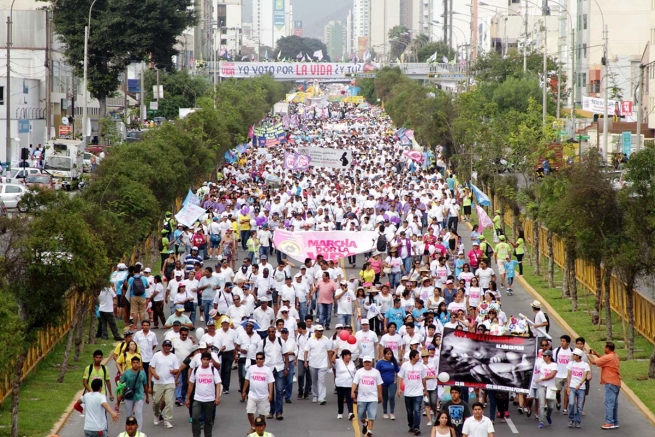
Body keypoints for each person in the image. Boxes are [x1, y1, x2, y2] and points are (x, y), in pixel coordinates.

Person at [186, 352, 222, 437]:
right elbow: (191, 384)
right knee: (195, 418)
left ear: (210, 361)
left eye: (207, 360)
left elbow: (218, 384)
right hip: (197, 399)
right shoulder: (196, 370)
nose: (205, 361)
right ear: (201, 360)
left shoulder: (213, 370)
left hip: (209, 400)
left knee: (208, 421)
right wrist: (187, 398)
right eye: (204, 359)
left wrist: (218, 397)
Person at [588, 341, 621, 430]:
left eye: (604, 347)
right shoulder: (615, 355)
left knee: (609, 403)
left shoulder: (608, 357)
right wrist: (596, 354)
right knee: (614, 403)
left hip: (610, 383)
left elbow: (594, 362)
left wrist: (588, 355)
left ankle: (609, 422)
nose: (603, 348)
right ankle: (614, 422)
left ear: (607, 348)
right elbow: (603, 359)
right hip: (616, 382)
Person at [149, 339, 180, 429]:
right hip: (158, 383)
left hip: (169, 382)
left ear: (170, 347)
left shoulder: (173, 357)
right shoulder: (157, 355)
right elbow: (151, 367)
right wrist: (154, 374)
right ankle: (157, 415)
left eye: (169, 346)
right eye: (165, 346)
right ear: (163, 346)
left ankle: (167, 420)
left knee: (169, 402)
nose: (167, 347)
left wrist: (175, 371)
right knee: (156, 402)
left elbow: (177, 369)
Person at [242, 352, 275, 435]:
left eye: (260, 359)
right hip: (252, 395)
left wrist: (270, 394)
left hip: (263, 396)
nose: (258, 360)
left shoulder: (267, 370)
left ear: (263, 360)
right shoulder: (251, 368)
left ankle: (260, 428)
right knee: (249, 411)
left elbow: (270, 383)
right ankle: (253, 427)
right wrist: (243, 391)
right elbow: (246, 380)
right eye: (257, 358)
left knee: (262, 414)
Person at [397, 349, 427, 435]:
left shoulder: (421, 366)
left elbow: (423, 379)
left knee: (417, 410)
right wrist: (399, 389)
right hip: (408, 393)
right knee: (409, 411)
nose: (419, 357)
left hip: (418, 392)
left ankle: (417, 427)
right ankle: (411, 425)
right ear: (412, 357)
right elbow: (400, 377)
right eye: (417, 356)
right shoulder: (405, 365)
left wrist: (425, 390)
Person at [353, 356, 383, 437]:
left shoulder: (376, 372)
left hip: (373, 397)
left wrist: (380, 395)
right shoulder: (359, 372)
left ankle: (369, 430)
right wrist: (352, 392)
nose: (367, 364)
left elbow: (379, 384)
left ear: (372, 363)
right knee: (361, 414)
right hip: (362, 397)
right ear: (363, 363)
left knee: (372, 415)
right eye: (365, 362)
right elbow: (355, 383)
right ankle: (364, 423)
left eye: (368, 362)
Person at [304, 324, 333, 405]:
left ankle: (321, 398)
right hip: (312, 364)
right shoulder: (310, 340)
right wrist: (305, 361)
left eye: (322, 331)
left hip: (323, 364)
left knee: (322, 381)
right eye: (319, 331)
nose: (321, 332)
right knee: (314, 381)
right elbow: (306, 351)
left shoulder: (326, 339)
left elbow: (329, 352)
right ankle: (315, 395)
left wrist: (330, 363)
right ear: (315, 331)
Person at [118, 356, 149, 430]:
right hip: (128, 396)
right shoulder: (126, 373)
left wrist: (147, 396)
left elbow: (145, 385)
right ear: (131, 363)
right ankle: (129, 430)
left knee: (138, 413)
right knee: (129, 415)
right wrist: (119, 395)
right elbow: (120, 384)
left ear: (140, 364)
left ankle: (138, 431)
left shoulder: (142, 374)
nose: (135, 364)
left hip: (139, 396)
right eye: (134, 363)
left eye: (137, 363)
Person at [565, 348, 589, 428]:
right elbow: (569, 375)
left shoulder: (585, 365)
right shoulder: (571, 364)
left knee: (579, 406)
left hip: (581, 388)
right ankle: (571, 419)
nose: (573, 356)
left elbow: (584, 376)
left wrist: (580, 384)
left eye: (574, 355)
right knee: (571, 403)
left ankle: (578, 421)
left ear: (578, 356)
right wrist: (568, 387)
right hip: (572, 386)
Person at [535, 349, 557, 428]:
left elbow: (552, 375)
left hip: (550, 387)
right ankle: (541, 421)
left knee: (550, 406)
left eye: (545, 356)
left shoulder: (554, 365)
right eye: (543, 355)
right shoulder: (541, 364)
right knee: (541, 404)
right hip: (541, 386)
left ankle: (548, 415)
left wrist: (542, 379)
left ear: (549, 357)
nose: (543, 357)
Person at [334, 349, 356, 420]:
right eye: (348, 355)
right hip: (340, 384)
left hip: (349, 384)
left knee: (349, 399)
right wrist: (336, 352)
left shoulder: (352, 363)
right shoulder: (338, 361)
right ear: (344, 356)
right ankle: (340, 413)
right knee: (340, 399)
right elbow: (332, 360)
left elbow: (354, 372)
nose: (349, 357)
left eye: (350, 355)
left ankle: (350, 413)